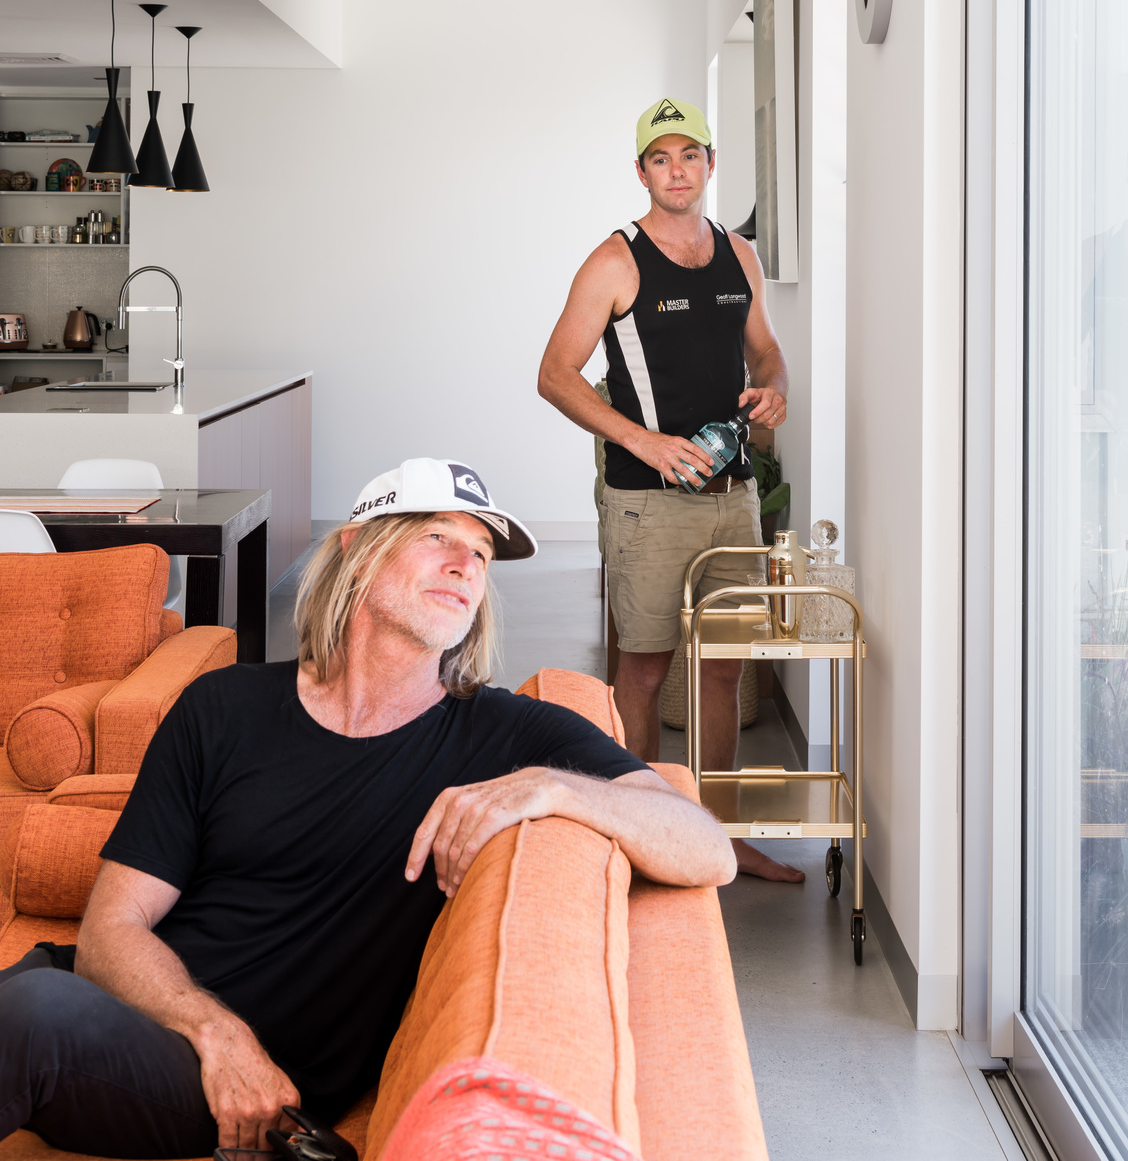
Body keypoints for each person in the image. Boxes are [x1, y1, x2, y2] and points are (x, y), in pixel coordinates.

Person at [0, 457, 734, 1160]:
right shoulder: (223, 706)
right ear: (357, 550)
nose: (466, 565)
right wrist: (216, 1030)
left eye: (482, 554)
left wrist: (557, 788)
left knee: (30, 1018)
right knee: (32, 1000)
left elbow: (707, 847)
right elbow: (110, 928)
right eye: (438, 536)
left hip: (216, 1080)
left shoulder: (508, 736)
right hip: (144, 1009)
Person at [538, 96, 802, 884]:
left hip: (734, 496)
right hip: (647, 505)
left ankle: (716, 839)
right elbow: (555, 374)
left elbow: (766, 352)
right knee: (645, 671)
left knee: (723, 667)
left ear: (710, 164)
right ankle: (638, 840)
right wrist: (641, 440)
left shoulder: (739, 256)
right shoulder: (615, 261)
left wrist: (775, 389)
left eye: (690, 155)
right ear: (642, 172)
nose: (677, 171)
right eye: (662, 158)